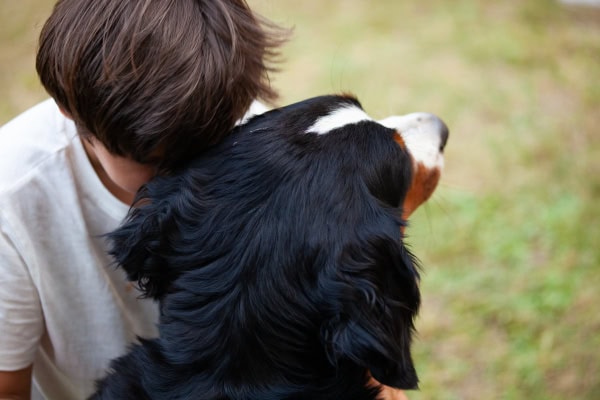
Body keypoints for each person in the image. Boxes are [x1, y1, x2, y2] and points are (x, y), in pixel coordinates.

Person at [0, 0, 286, 398]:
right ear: (67, 107)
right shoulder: (11, 198)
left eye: (209, 149)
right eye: (158, 163)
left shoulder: (247, 134)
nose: (187, 174)